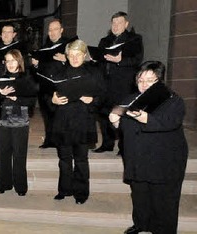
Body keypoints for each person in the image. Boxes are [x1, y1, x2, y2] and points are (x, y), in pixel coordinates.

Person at [108, 61, 187, 234]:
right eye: (140, 80)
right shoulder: (130, 99)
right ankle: (141, 224)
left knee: (163, 200)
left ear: (159, 81)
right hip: (138, 158)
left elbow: (170, 123)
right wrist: (116, 122)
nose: (143, 85)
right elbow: (126, 127)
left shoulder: (173, 100)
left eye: (149, 80)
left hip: (164, 160)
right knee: (139, 195)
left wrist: (146, 119)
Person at [48, 40, 104, 205]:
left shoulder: (93, 73)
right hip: (63, 120)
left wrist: (92, 100)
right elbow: (47, 95)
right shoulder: (59, 73)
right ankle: (64, 190)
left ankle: (81, 193)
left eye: (78, 54)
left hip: (83, 120)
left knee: (81, 159)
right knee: (64, 159)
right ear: (67, 56)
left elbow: (103, 96)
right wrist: (53, 100)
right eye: (71, 55)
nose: (74, 58)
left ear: (84, 55)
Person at [94, 11, 143, 155]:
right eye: (113, 23)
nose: (115, 26)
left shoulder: (134, 39)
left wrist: (120, 61)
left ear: (126, 24)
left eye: (119, 23)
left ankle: (123, 147)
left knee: (122, 115)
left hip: (123, 84)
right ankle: (107, 144)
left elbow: (137, 60)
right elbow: (100, 61)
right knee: (103, 115)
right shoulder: (105, 40)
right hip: (105, 84)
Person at [0, 49, 38, 195]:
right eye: (7, 61)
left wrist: (17, 98)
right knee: (3, 153)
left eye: (13, 60)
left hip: (20, 119)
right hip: (2, 119)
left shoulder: (26, 78)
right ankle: (4, 184)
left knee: (19, 154)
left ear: (19, 61)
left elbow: (32, 100)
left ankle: (20, 186)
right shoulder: (0, 78)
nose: (10, 64)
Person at [31, 19, 68, 149]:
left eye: (55, 29)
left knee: (60, 116)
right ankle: (49, 140)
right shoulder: (43, 48)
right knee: (47, 115)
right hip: (45, 88)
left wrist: (66, 59)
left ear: (61, 30)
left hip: (61, 87)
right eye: (50, 30)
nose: (52, 32)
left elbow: (77, 64)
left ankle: (60, 141)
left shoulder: (68, 46)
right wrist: (35, 65)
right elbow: (37, 71)